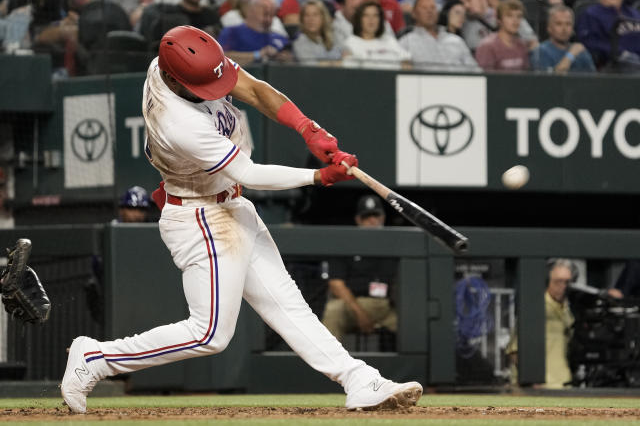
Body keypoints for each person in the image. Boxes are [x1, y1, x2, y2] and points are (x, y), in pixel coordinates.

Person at [60, 24, 423, 414]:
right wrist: (317, 177)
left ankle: (358, 378)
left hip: (230, 207)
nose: (216, 93)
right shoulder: (176, 121)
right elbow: (249, 174)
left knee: (288, 305)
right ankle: (95, 358)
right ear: (171, 78)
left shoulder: (186, 62)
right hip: (202, 216)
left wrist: (307, 128)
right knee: (209, 334)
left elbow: (251, 88)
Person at [322, 195, 398, 345]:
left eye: (375, 215)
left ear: (383, 218)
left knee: (416, 323)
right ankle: (327, 367)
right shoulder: (345, 243)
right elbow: (336, 284)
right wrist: (359, 312)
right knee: (334, 310)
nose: (372, 220)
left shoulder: (395, 243)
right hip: (352, 305)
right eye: (366, 216)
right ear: (358, 220)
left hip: (385, 307)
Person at [506, 258, 575, 388]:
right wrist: (530, 378)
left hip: (563, 383)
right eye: (558, 281)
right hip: (538, 386)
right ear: (547, 281)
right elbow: (514, 351)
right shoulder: (535, 306)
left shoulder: (567, 309)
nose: (563, 286)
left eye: (567, 282)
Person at [399, 0, 479, 71]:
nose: (429, 11)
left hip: (460, 84)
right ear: (414, 13)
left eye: (433, 7)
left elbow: (475, 71)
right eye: (424, 8)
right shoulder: (406, 42)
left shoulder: (456, 41)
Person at [217, 0, 292, 66]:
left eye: (272, 15)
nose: (268, 20)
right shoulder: (232, 32)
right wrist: (257, 55)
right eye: (265, 14)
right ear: (251, 12)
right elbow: (222, 58)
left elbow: (294, 61)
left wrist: (285, 58)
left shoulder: (278, 37)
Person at [342, 1, 411, 69]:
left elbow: (407, 61)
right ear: (359, 19)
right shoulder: (351, 42)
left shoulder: (389, 41)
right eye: (366, 15)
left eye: (375, 15)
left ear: (380, 20)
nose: (371, 19)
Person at [575, 0, 640, 70]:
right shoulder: (591, 14)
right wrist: (619, 53)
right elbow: (589, 42)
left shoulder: (634, 14)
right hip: (613, 64)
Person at [530, 5, 595, 73]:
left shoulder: (581, 51)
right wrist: (571, 55)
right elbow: (548, 80)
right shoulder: (540, 51)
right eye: (559, 24)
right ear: (549, 28)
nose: (564, 29)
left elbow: (595, 79)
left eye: (568, 24)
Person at [474, 0, 530, 71]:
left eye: (518, 16)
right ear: (499, 20)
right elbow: (485, 77)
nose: (515, 20)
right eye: (509, 15)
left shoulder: (521, 45)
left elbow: (526, 75)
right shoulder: (487, 46)